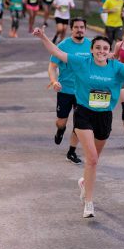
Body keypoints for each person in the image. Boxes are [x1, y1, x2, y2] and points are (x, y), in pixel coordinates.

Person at [33, 27, 124, 218]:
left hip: (104, 116)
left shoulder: (116, 67)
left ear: (109, 51)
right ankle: (89, 202)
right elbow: (57, 53)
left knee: (94, 160)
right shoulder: (82, 62)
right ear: (91, 50)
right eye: (98, 48)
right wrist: (43, 36)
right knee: (91, 158)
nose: (101, 51)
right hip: (84, 113)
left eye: (105, 48)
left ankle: (84, 182)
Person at [48, 18, 91, 164]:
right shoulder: (63, 45)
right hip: (65, 90)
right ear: (71, 29)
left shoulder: (91, 46)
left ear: (85, 29)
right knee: (62, 121)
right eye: (76, 27)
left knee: (80, 123)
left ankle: (71, 151)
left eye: (82, 27)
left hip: (82, 92)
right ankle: (60, 130)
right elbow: (52, 66)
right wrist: (54, 81)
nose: (79, 30)